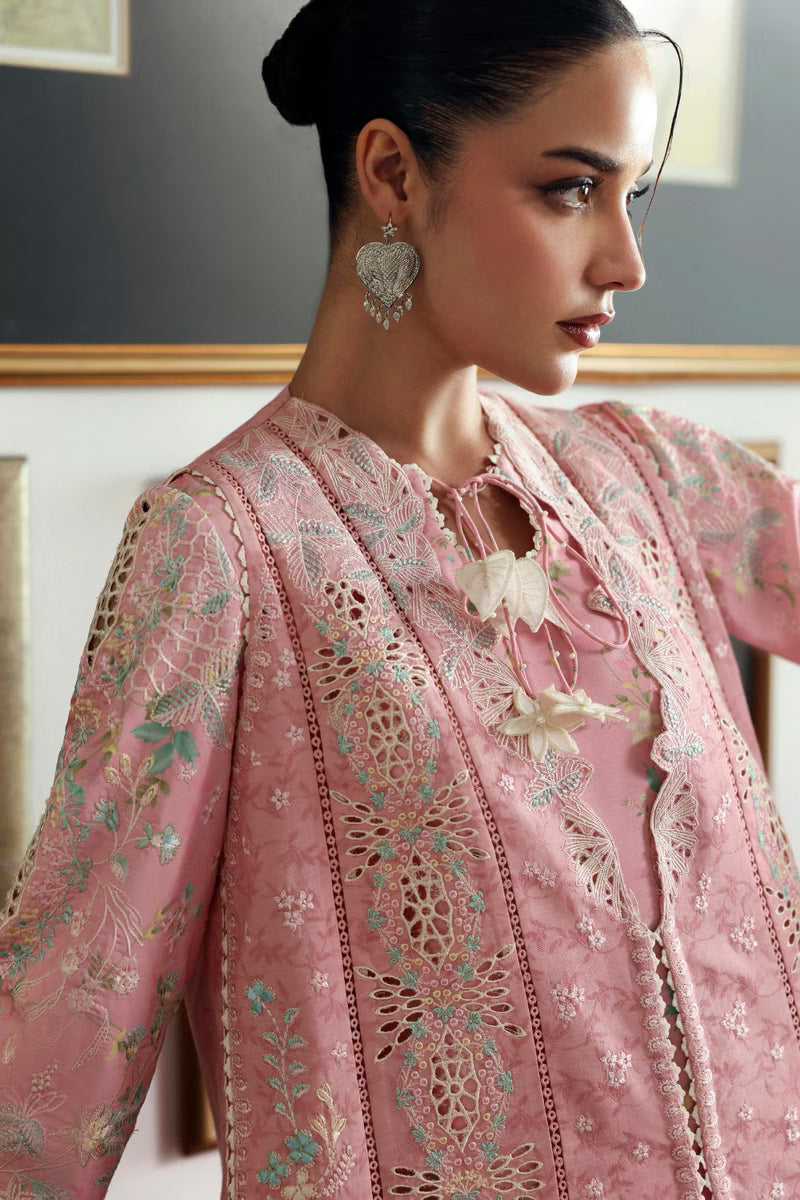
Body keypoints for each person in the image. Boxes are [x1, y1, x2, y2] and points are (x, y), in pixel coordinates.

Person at [2, 1, 799, 1197]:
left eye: (630, 197)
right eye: (569, 190)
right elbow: (50, 1067)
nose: (625, 262)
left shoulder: (648, 482)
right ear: (391, 174)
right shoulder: (221, 553)